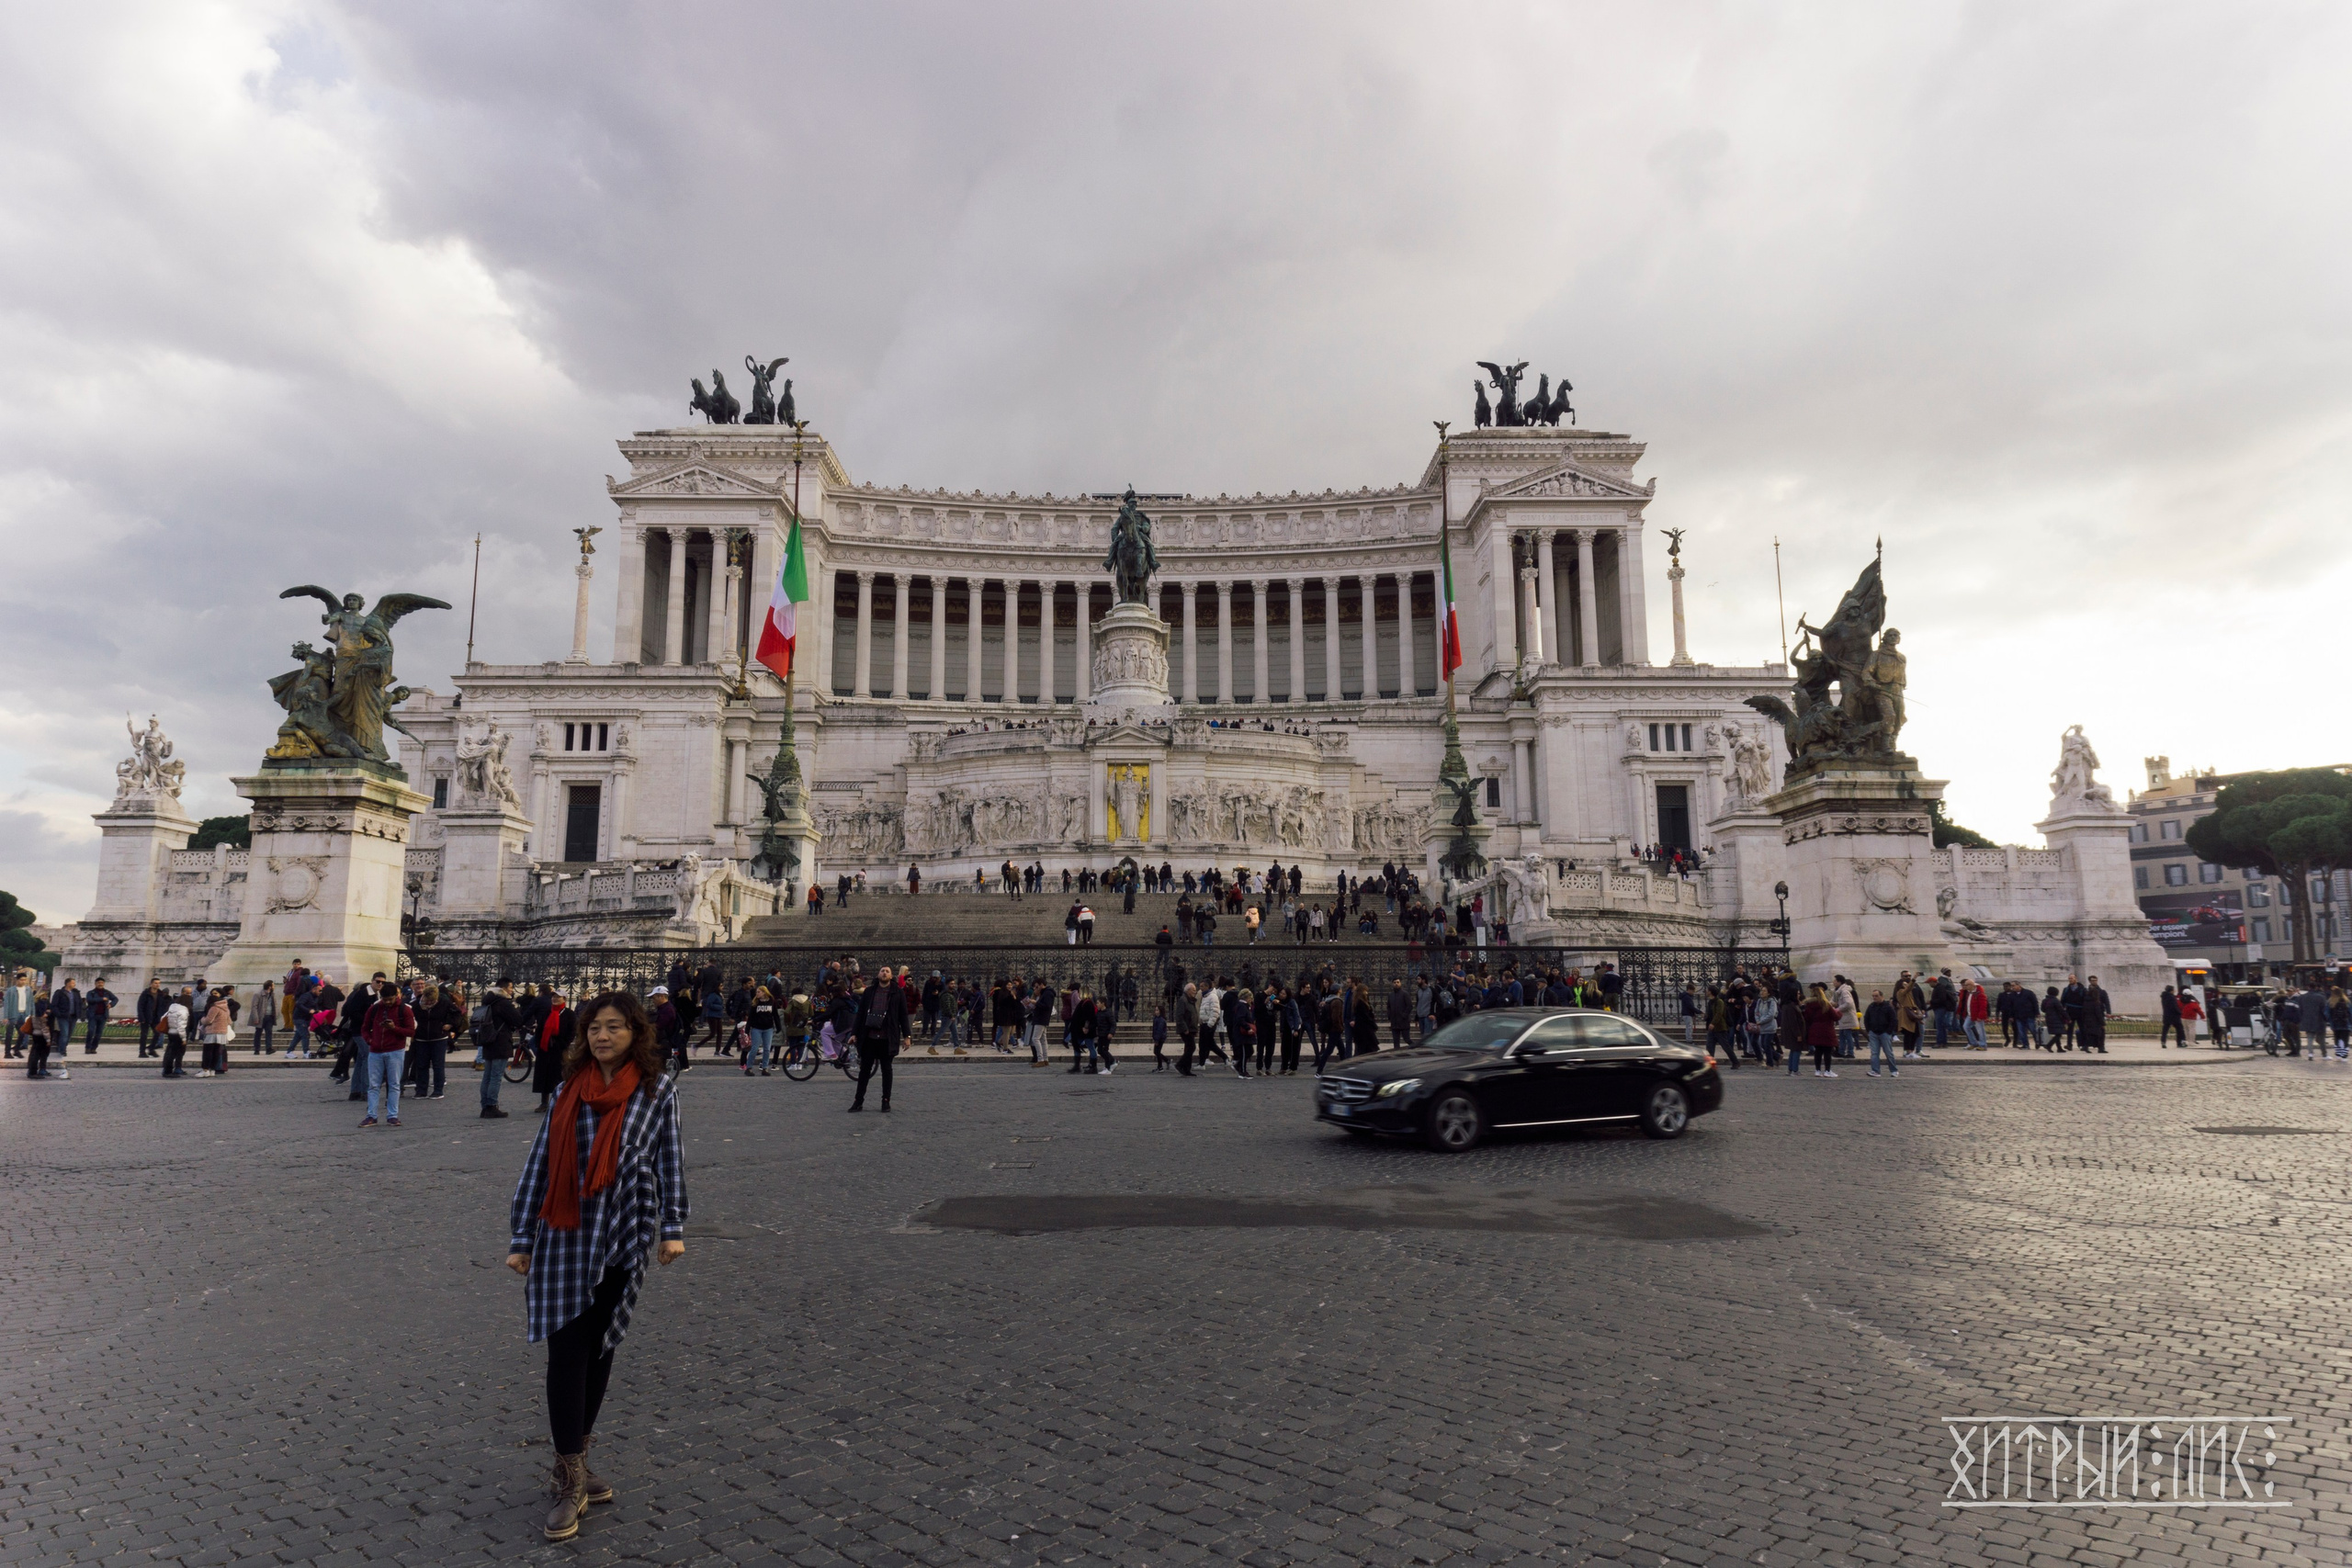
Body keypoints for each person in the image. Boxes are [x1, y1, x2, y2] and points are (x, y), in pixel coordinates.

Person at [504, 989, 686, 1542]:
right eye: (594, 1028)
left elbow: (670, 1159)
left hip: (626, 1230)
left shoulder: (657, 1090)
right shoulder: (568, 1090)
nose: (602, 1036)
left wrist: (673, 1229)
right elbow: (539, 1163)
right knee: (567, 1350)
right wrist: (521, 1237)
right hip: (565, 1231)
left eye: (614, 1027)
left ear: (635, 1033)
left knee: (602, 1345)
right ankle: (569, 1476)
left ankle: (576, 1463)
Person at [358, 980, 416, 1126]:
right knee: (374, 1085)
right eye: (385, 1000)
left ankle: (392, 1115)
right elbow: (364, 1028)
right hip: (376, 1050)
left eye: (390, 999)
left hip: (395, 1050)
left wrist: (394, 1028)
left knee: (394, 1084)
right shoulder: (374, 1008)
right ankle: (371, 1115)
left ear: (396, 996)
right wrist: (370, 1040)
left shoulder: (405, 1010)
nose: (388, 1002)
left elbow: (411, 1031)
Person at [848, 964, 907, 1111]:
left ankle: (886, 1101)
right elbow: (860, 1014)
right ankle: (858, 1101)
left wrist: (907, 1036)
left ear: (891, 976)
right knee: (864, 1071)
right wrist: (854, 1033)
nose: (884, 973)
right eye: (882, 971)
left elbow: (903, 1015)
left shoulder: (898, 992)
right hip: (869, 1036)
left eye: (887, 971)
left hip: (887, 1037)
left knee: (887, 1070)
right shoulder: (869, 991)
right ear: (878, 974)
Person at [409, 980, 461, 1100]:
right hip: (421, 1038)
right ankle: (421, 1091)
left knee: (438, 1065)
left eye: (432, 1001)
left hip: (439, 1037)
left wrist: (450, 1024)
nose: (429, 1003)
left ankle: (438, 1090)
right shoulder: (416, 1004)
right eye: (427, 1001)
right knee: (421, 1065)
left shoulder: (444, 1002)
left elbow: (457, 1013)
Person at [481, 977, 521, 1118]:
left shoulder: (488, 1000)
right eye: (511, 987)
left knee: (487, 1076)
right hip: (500, 1041)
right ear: (504, 988)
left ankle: (485, 1106)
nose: (512, 990)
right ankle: (492, 1106)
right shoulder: (503, 1003)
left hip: (488, 1041)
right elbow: (518, 1020)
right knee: (496, 1076)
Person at [534, 990, 575, 1111]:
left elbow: (572, 1031)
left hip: (559, 1048)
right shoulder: (547, 1012)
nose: (555, 999)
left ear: (564, 999)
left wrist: (564, 1044)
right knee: (544, 1075)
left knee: (559, 1075)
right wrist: (539, 1043)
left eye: (558, 997)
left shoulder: (569, 1014)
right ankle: (544, 1103)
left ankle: (559, 1101)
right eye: (553, 997)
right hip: (545, 1047)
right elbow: (540, 1029)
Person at [198, 986, 239, 1077]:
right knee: (216, 1052)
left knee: (208, 1052)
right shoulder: (225, 1007)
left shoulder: (214, 1007)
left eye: (215, 993)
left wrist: (202, 1019)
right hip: (222, 1032)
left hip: (212, 1031)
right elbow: (229, 1021)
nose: (213, 995)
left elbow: (208, 1020)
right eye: (212, 994)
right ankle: (212, 1070)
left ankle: (205, 1070)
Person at [1803, 983, 1839, 1077]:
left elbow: (1807, 1018)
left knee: (1818, 1051)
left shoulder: (1809, 1005)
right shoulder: (1826, 1005)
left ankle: (1817, 1070)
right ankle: (1827, 1070)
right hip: (1827, 1030)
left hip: (1815, 1029)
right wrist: (1839, 1012)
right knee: (1827, 1051)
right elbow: (1835, 1017)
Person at [1863, 989, 1899, 1077]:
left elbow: (1894, 1020)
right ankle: (1875, 1070)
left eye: (1876, 996)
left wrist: (1889, 1031)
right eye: (1873, 996)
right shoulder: (1871, 1006)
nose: (1874, 998)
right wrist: (1869, 1030)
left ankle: (1894, 1070)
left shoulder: (1888, 1007)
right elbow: (1866, 1018)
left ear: (1882, 996)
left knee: (1888, 1052)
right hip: (1873, 1033)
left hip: (1885, 1033)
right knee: (1874, 1053)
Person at [2076, 975, 2112, 1055]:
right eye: (2092, 980)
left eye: (2095, 980)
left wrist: (2108, 1012)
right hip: (2093, 1015)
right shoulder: (2086, 992)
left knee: (2092, 1032)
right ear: (2090, 981)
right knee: (2096, 1032)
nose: (2094, 982)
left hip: (2095, 1015)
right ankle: (2098, 1047)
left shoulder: (2102, 992)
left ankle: (2094, 1046)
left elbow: (2106, 1002)